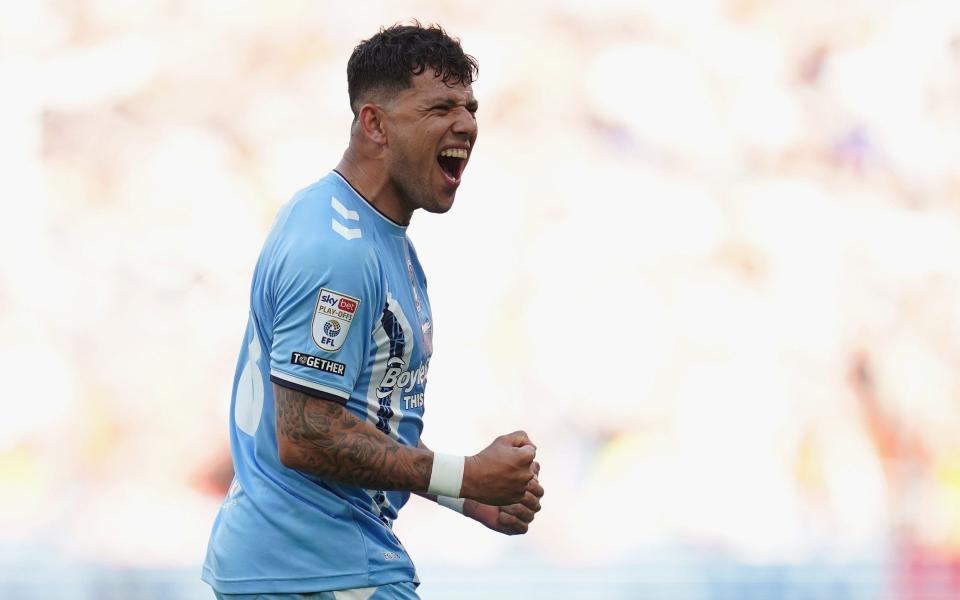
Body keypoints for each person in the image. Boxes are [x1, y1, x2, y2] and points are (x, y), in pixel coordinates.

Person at [202, 22, 544, 600]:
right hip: (313, 572)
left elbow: (361, 423)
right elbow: (307, 433)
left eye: (469, 106)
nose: (465, 123)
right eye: (440, 107)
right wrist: (463, 473)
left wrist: (464, 495)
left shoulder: (385, 241)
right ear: (375, 124)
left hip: (325, 564)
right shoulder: (336, 246)